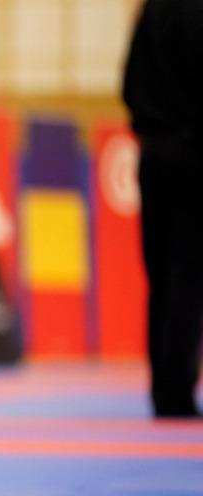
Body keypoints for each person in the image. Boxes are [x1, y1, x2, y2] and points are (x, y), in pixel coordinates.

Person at [123, 0, 203, 418]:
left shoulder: (153, 10)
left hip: (152, 154)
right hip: (193, 154)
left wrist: (148, 126)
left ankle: (163, 387)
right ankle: (176, 391)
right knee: (188, 274)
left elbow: (128, 84)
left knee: (161, 271)